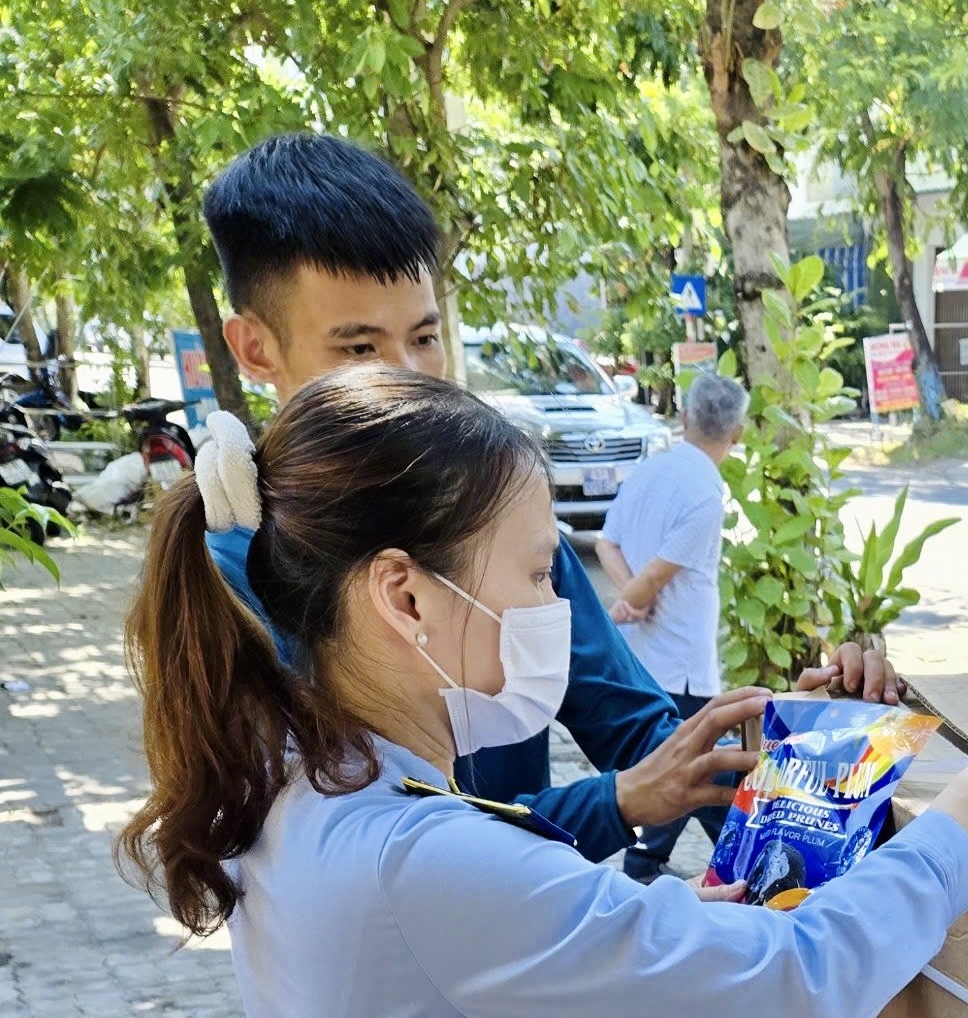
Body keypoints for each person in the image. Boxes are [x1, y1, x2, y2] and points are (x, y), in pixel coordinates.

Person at [117, 366, 968, 1018]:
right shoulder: (424, 861)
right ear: (404, 597)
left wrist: (817, 763)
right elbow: (796, 984)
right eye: (533, 575)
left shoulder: (299, 781)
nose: (552, 607)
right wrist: (964, 825)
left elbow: (536, 942)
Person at [196, 133, 898, 873]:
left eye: (426, 336)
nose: (411, 378)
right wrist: (617, 803)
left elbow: (644, 734)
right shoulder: (233, 570)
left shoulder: (505, 525)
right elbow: (370, 847)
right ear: (253, 347)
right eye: (360, 350)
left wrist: (819, 762)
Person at [595, 370, 743, 882]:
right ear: (737, 433)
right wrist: (631, 601)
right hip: (680, 661)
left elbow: (605, 544)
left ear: (683, 418)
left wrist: (628, 598)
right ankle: (749, 859)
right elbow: (658, 574)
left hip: (644, 656)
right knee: (702, 773)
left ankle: (649, 863)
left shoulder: (650, 470)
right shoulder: (706, 490)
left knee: (683, 767)